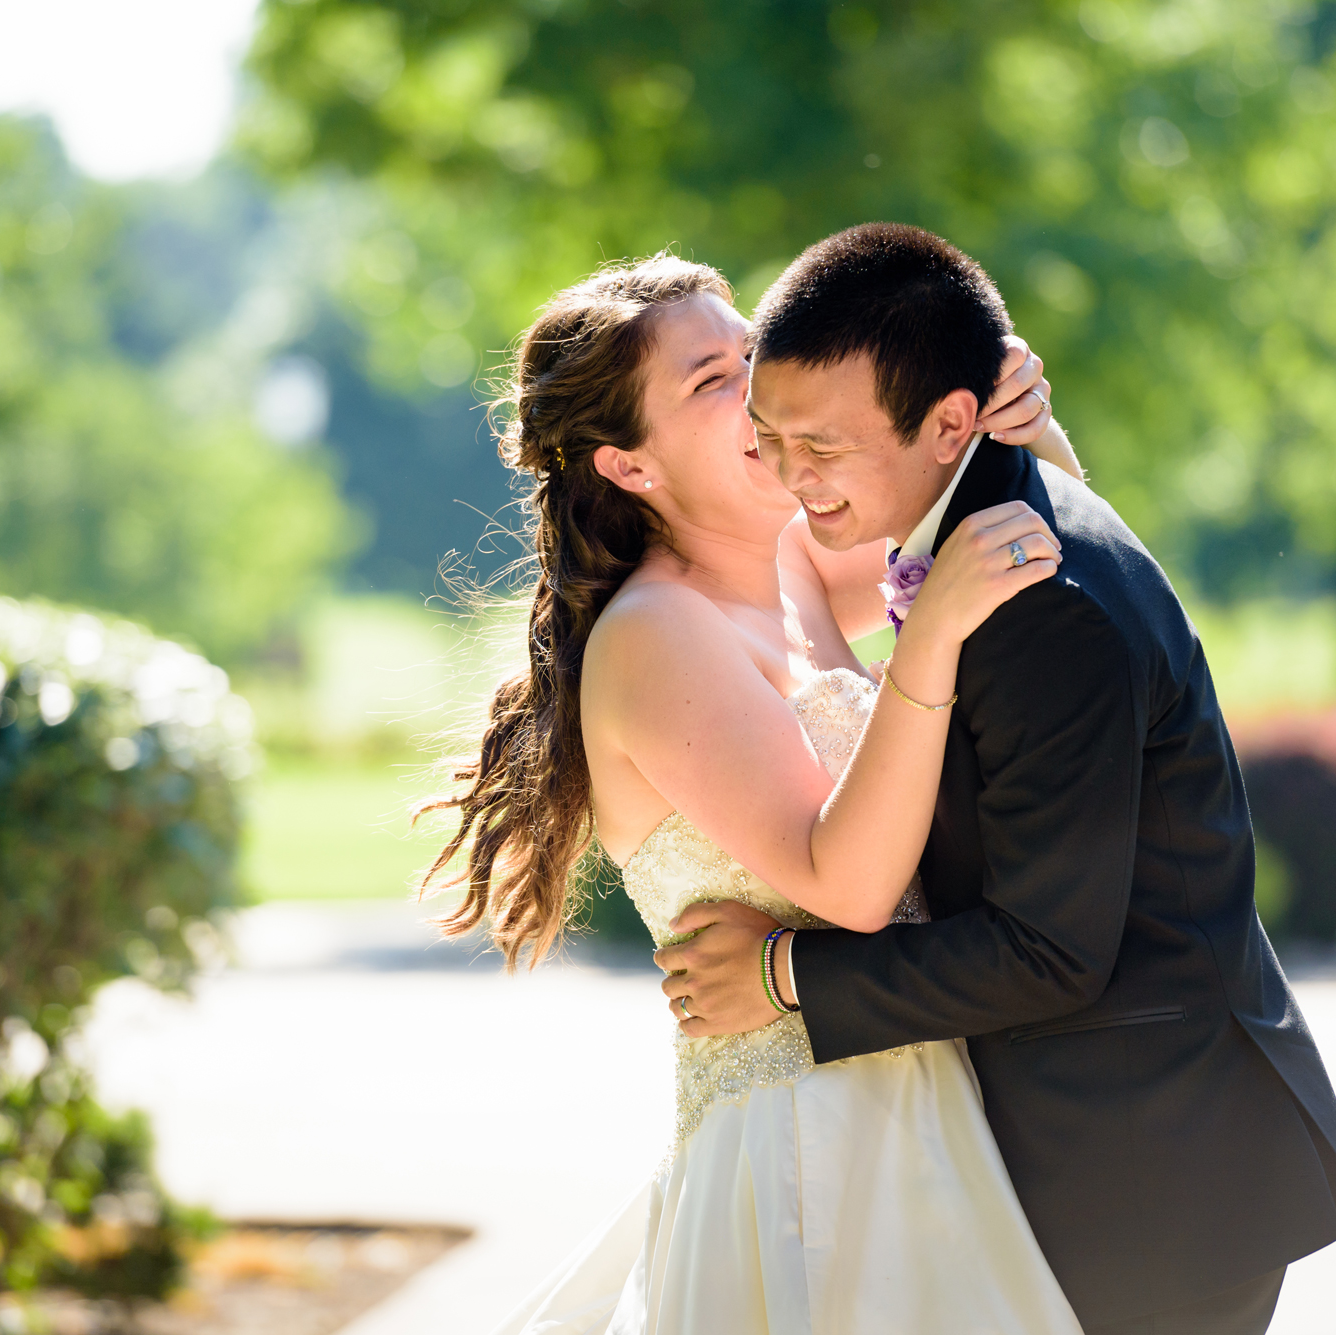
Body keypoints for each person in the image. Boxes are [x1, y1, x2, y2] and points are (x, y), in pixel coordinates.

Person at [661, 223, 1336, 1335]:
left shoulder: (1033, 597)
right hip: (1115, 1154)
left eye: (823, 445)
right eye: (769, 436)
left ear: (949, 421)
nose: (792, 477)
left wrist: (784, 979)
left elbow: (1050, 952)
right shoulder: (980, 523)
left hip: (1148, 1183)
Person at [426, 251, 1087, 1334]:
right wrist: (928, 642)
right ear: (629, 465)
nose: (761, 382)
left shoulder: (800, 564)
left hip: (921, 1114)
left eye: (750, 350)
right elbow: (851, 886)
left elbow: (1028, 556)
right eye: (710, 380)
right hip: (805, 1157)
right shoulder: (655, 636)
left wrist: (1018, 425)